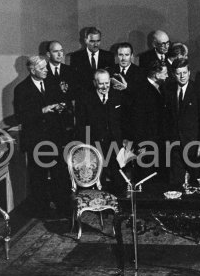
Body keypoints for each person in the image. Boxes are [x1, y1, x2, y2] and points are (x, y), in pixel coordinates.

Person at [14, 55, 70, 216]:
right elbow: (20, 117)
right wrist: (42, 110)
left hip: (55, 138)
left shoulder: (52, 84)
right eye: (42, 68)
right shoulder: (21, 89)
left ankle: (63, 208)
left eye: (46, 67)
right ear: (32, 70)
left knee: (60, 173)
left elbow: (62, 101)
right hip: (35, 141)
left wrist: (61, 107)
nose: (46, 70)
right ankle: (41, 210)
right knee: (38, 176)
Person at [75, 69, 127, 193]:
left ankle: (119, 208)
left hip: (116, 145)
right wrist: (86, 147)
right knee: (99, 179)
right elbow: (81, 125)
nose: (105, 87)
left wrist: (124, 142)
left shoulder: (117, 96)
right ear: (94, 83)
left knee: (119, 180)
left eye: (107, 83)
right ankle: (100, 208)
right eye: (101, 83)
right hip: (95, 145)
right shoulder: (85, 99)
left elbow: (124, 121)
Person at [165, 58, 200, 185]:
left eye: (184, 72)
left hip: (194, 144)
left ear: (189, 72)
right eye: (179, 73)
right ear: (174, 74)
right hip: (175, 145)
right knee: (176, 182)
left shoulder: (199, 91)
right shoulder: (169, 90)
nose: (182, 76)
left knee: (196, 181)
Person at [128, 61, 169, 180]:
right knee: (146, 178)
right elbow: (137, 121)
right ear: (156, 75)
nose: (167, 76)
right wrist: (141, 145)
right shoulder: (142, 91)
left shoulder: (160, 88)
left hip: (157, 143)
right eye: (165, 73)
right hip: (146, 145)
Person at [70, 27, 115, 93]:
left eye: (98, 41)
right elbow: (74, 80)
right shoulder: (76, 57)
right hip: (84, 95)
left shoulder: (109, 56)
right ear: (85, 40)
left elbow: (111, 78)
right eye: (92, 41)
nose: (96, 45)